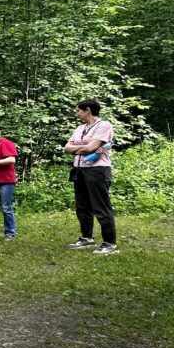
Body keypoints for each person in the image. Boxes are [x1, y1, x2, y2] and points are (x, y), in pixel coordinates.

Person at [63, 99, 118, 254]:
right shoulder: (80, 128)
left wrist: (77, 148)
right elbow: (67, 147)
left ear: (87, 110)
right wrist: (81, 149)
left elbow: (91, 147)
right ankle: (87, 238)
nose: (77, 113)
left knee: (100, 206)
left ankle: (110, 243)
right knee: (83, 206)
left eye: (78, 110)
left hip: (97, 170)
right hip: (79, 170)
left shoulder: (104, 126)